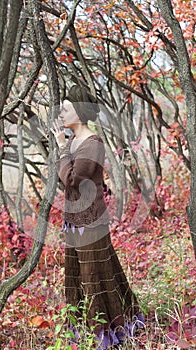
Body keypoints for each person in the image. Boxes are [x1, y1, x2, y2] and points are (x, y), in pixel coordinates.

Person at [51, 85, 144, 348]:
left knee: (96, 277)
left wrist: (60, 148)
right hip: (76, 222)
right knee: (82, 276)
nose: (61, 114)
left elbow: (71, 179)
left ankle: (108, 333)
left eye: (66, 109)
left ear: (79, 112)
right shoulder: (75, 141)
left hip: (90, 222)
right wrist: (64, 148)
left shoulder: (92, 143)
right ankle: (85, 328)